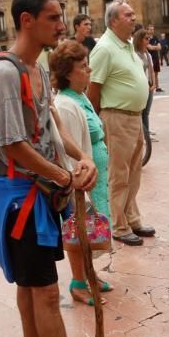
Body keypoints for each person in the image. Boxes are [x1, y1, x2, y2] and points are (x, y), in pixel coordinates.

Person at [0, 0, 110, 337]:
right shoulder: (1, 72)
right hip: (21, 201)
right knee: (45, 291)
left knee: (30, 282)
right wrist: (62, 175)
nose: (62, 25)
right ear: (26, 20)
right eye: (53, 18)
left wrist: (80, 158)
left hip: (41, 194)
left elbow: (49, 124)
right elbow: (12, 145)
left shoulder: (35, 71)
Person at [87, 0, 155, 246]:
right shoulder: (104, 48)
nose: (134, 18)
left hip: (134, 118)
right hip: (116, 118)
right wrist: (96, 124)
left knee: (134, 173)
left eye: (133, 13)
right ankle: (118, 224)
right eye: (128, 15)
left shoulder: (126, 45)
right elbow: (93, 89)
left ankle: (132, 218)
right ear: (114, 20)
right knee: (118, 174)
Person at [50, 41, 113, 306]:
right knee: (79, 229)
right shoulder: (65, 104)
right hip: (80, 181)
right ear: (67, 72)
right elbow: (68, 149)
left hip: (93, 177)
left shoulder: (81, 96)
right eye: (83, 67)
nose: (89, 70)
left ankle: (90, 273)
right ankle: (78, 281)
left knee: (90, 226)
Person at [133, 25, 157, 138]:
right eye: (146, 38)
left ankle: (146, 133)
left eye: (149, 38)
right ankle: (141, 133)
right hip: (139, 86)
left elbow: (151, 70)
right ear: (139, 40)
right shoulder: (134, 55)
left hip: (148, 85)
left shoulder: (147, 54)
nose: (149, 40)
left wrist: (153, 84)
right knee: (140, 111)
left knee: (146, 112)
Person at [146, 23, 163, 92]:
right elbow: (149, 47)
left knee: (156, 73)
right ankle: (151, 86)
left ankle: (157, 87)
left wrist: (154, 47)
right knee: (151, 73)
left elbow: (160, 47)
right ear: (147, 30)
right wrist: (155, 47)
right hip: (149, 57)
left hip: (155, 57)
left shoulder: (155, 37)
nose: (152, 31)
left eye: (153, 29)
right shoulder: (146, 37)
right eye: (150, 29)